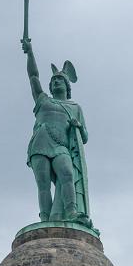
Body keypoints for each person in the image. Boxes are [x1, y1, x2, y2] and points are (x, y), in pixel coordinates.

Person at [21, 35, 90, 225]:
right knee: (43, 184)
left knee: (67, 174)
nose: (55, 82)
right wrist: (30, 53)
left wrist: (77, 126)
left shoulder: (75, 107)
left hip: (61, 146)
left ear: (67, 86)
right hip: (40, 143)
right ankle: (45, 218)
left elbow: (84, 137)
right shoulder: (43, 100)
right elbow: (33, 77)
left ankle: (72, 212)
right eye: (53, 81)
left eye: (59, 80)